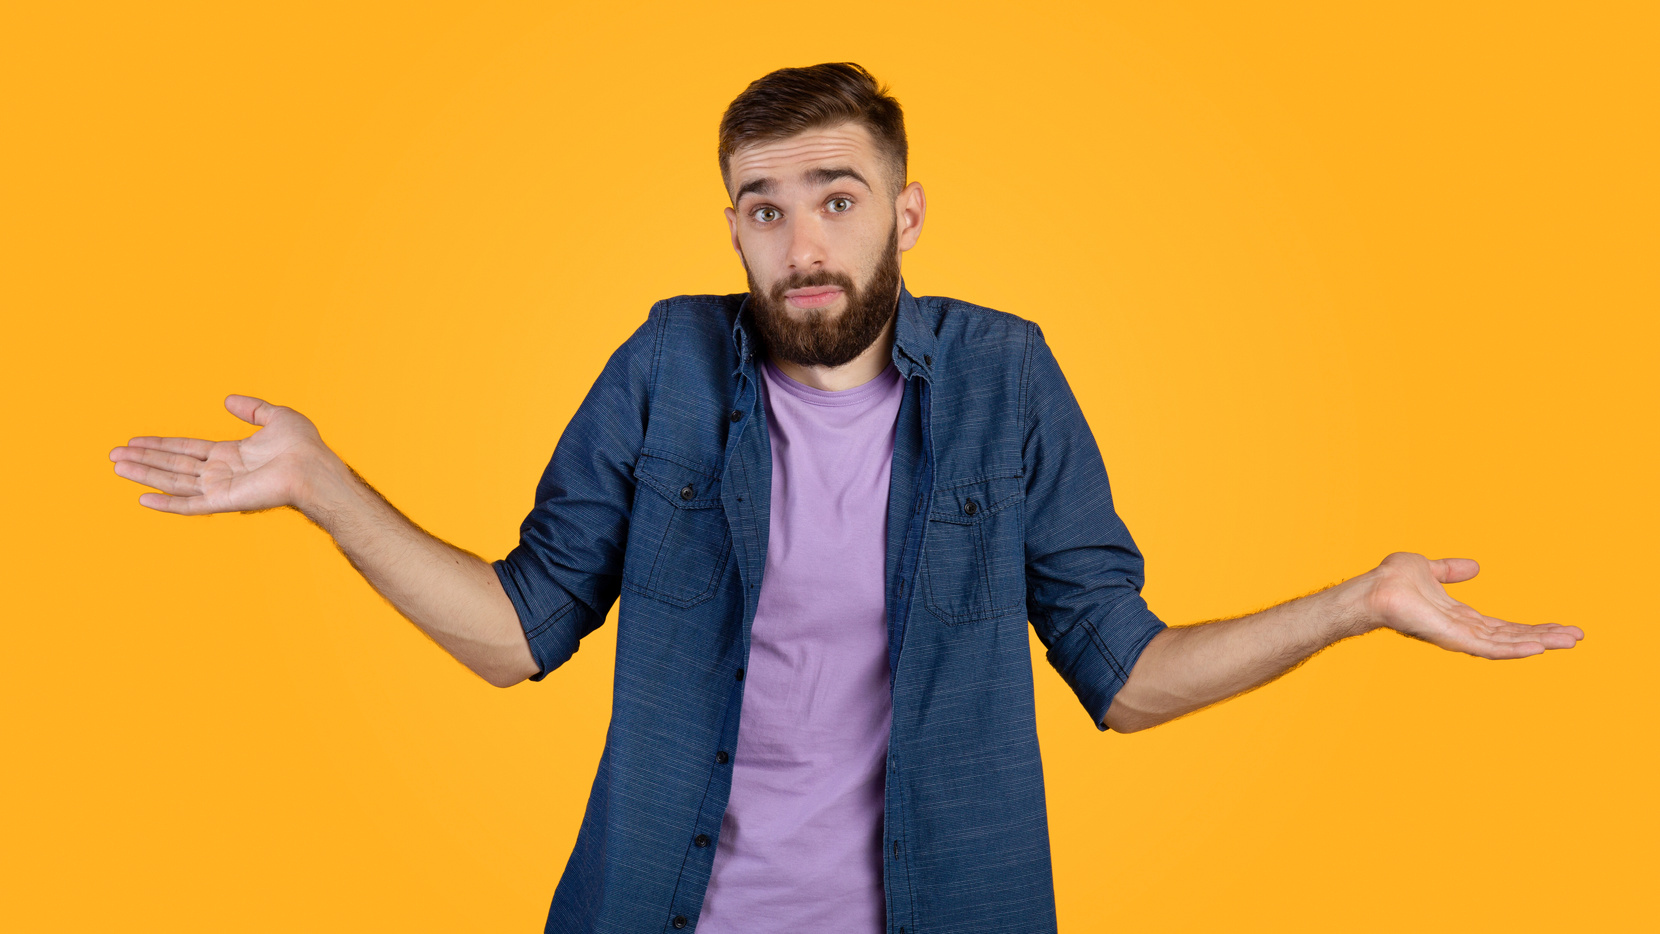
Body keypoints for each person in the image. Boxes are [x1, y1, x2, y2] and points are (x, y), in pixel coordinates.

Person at [108, 63, 1583, 934]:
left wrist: (1356, 604)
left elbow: (1125, 678)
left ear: (904, 210)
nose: (801, 243)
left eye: (835, 196)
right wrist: (321, 487)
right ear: (733, 226)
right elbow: (516, 633)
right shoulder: (667, 363)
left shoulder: (1006, 376)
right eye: (765, 207)